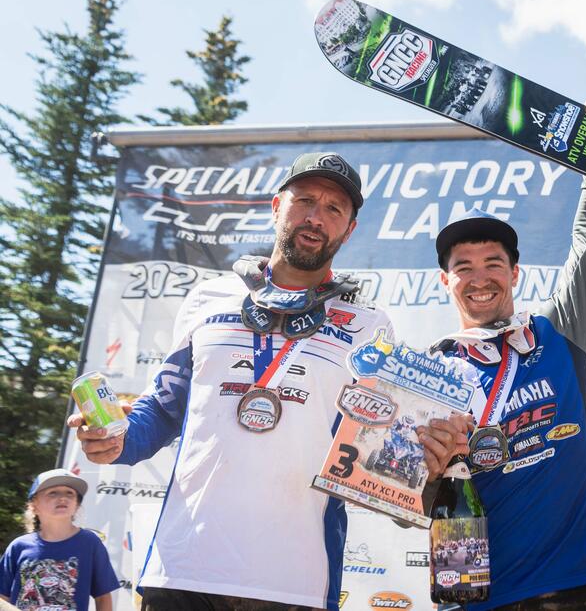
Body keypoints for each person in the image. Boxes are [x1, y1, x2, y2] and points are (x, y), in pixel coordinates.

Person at [69, 152, 465, 611]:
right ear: (277, 206)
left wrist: (426, 463)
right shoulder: (208, 298)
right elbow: (162, 408)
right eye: (305, 201)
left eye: (334, 209)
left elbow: (379, 452)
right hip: (182, 566)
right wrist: (117, 440)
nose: (316, 218)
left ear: (350, 229)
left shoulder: (368, 324)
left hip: (295, 581)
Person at [428, 100, 586, 610]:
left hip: (574, 586)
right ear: (446, 281)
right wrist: (428, 467)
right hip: (470, 593)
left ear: (515, 274)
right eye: (463, 266)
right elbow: (415, 496)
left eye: (494, 263)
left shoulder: (558, 330)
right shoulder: (432, 366)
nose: (480, 277)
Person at [0, 468, 120, 611]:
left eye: (70, 493)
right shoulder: (18, 546)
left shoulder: (90, 543)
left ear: (77, 505)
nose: (63, 498)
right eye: (53, 493)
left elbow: (103, 597)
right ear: (34, 506)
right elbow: (3, 597)